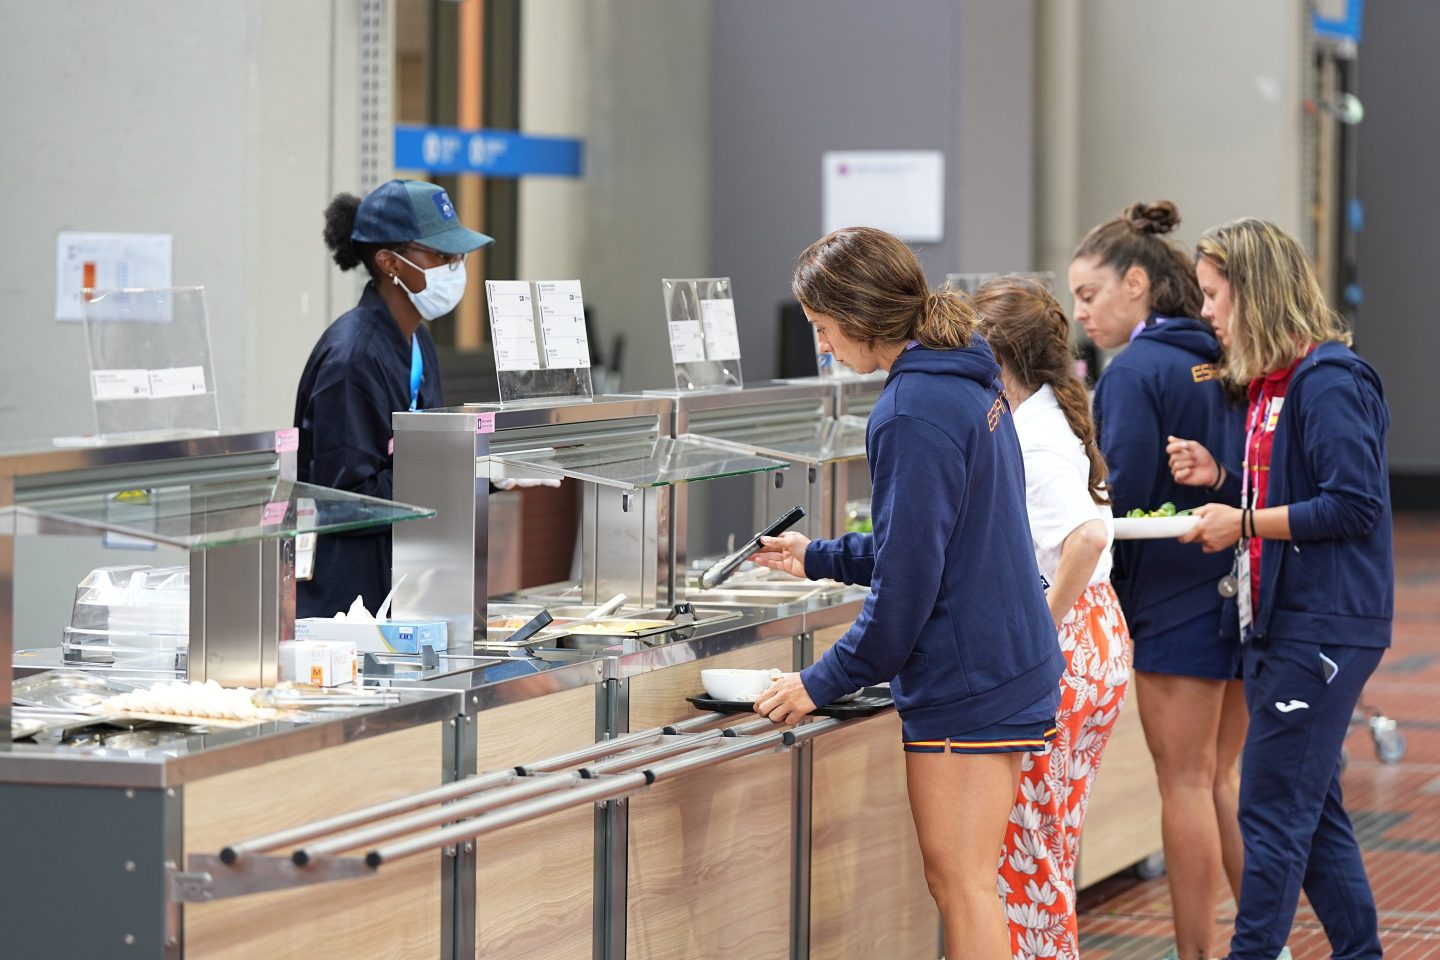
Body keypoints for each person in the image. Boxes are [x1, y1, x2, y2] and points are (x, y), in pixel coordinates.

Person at [751, 227, 1064, 960]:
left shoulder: (912, 409)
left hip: (971, 678)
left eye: (824, 330)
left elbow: (905, 595)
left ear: (859, 320)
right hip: (1007, 660)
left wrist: (816, 683)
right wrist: (819, 555)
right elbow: (944, 542)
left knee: (962, 887)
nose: (824, 348)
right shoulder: (965, 378)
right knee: (969, 883)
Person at [1167, 218, 1391, 960]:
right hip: (1280, 622)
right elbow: (1296, 495)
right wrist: (1227, 481)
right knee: (1312, 810)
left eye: (1213, 294)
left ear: (1254, 293)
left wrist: (1247, 520)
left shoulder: (1328, 380)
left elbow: (1353, 504)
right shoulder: (1272, 385)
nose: (1206, 312)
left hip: (1322, 626)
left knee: (1268, 811)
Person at [1070, 200, 1246, 960]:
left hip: (1174, 598)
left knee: (1184, 783)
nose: (1081, 314)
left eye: (1088, 295)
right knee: (1224, 780)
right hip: (1244, 585)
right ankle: (1263, 941)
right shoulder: (1224, 348)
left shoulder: (1135, 370)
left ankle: (1201, 955)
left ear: (1136, 283)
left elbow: (1122, 490)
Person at [974, 277, 1131, 960]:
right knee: (1050, 843)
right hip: (1097, 636)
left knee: (1030, 855)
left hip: (1065, 647)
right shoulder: (1048, 417)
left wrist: (1038, 626)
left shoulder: (1032, 441)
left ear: (996, 355)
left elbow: (1086, 538)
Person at [294, 178, 493, 619]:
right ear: (390, 262)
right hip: (348, 605)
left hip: (403, 584)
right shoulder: (352, 358)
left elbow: (425, 454)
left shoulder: (416, 341)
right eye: (441, 256)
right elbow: (350, 499)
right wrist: (467, 469)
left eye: (458, 256)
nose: (455, 268)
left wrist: (483, 468)